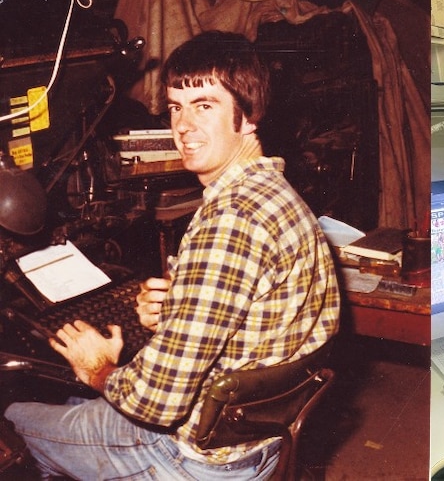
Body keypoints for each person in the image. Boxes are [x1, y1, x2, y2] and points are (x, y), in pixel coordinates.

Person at [4, 31, 340, 480]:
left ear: (249, 116)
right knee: (62, 409)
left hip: (192, 458)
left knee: (15, 422)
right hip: (252, 437)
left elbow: (157, 403)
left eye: (205, 105)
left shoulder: (230, 222)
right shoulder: (272, 193)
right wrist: (176, 312)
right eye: (176, 107)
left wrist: (100, 368)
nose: (182, 126)